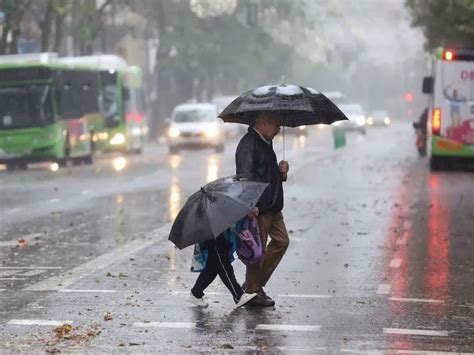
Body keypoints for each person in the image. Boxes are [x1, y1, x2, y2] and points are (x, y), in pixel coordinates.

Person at [235, 111, 290, 307]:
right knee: (257, 252)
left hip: (273, 206)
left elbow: (266, 173)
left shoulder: (266, 141)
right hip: (259, 207)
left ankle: (253, 284)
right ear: (264, 123)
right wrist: (250, 205)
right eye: (276, 125)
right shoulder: (248, 144)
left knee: (282, 241)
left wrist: (281, 171)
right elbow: (244, 177)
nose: (279, 129)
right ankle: (252, 291)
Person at [186, 220, 258, 309]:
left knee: (211, 268)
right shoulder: (209, 209)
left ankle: (195, 294)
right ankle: (238, 296)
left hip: (216, 233)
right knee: (224, 267)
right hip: (214, 236)